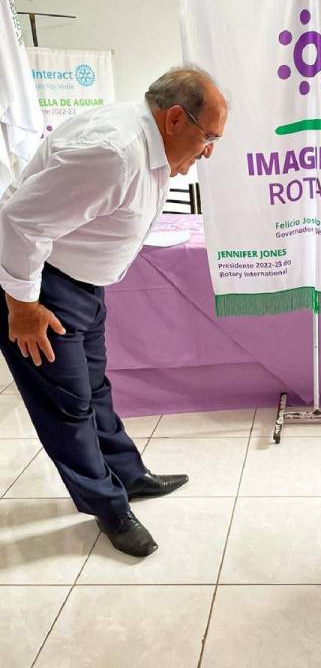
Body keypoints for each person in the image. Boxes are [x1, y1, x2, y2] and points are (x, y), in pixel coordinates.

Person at [0, 65, 228, 555]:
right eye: (208, 136)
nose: (209, 150)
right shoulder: (113, 153)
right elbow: (18, 223)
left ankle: (128, 474)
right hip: (40, 288)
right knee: (68, 404)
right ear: (174, 119)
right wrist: (22, 308)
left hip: (80, 284)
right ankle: (108, 508)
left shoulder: (146, 140)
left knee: (95, 389)